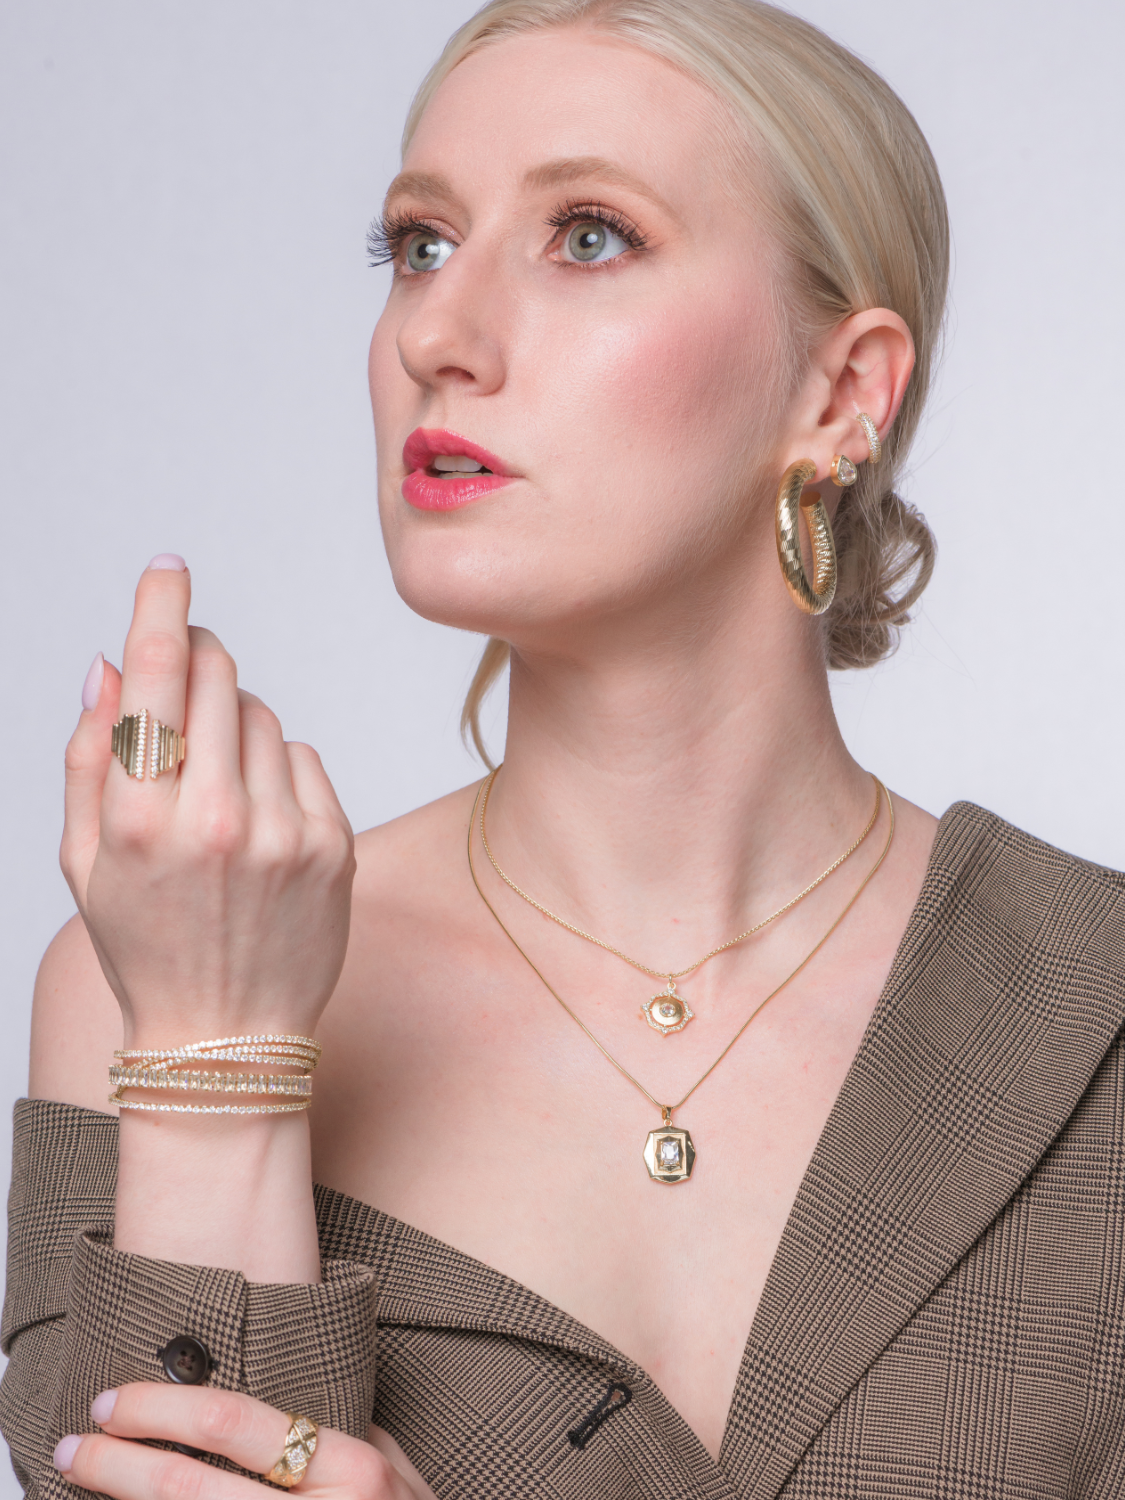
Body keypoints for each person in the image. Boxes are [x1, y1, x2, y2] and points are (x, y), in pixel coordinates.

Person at [4, 0, 1124, 1496]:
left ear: (841, 392)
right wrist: (223, 1062)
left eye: (589, 236)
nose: (434, 336)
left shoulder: (1090, 1000)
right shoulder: (149, 988)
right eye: (419, 244)